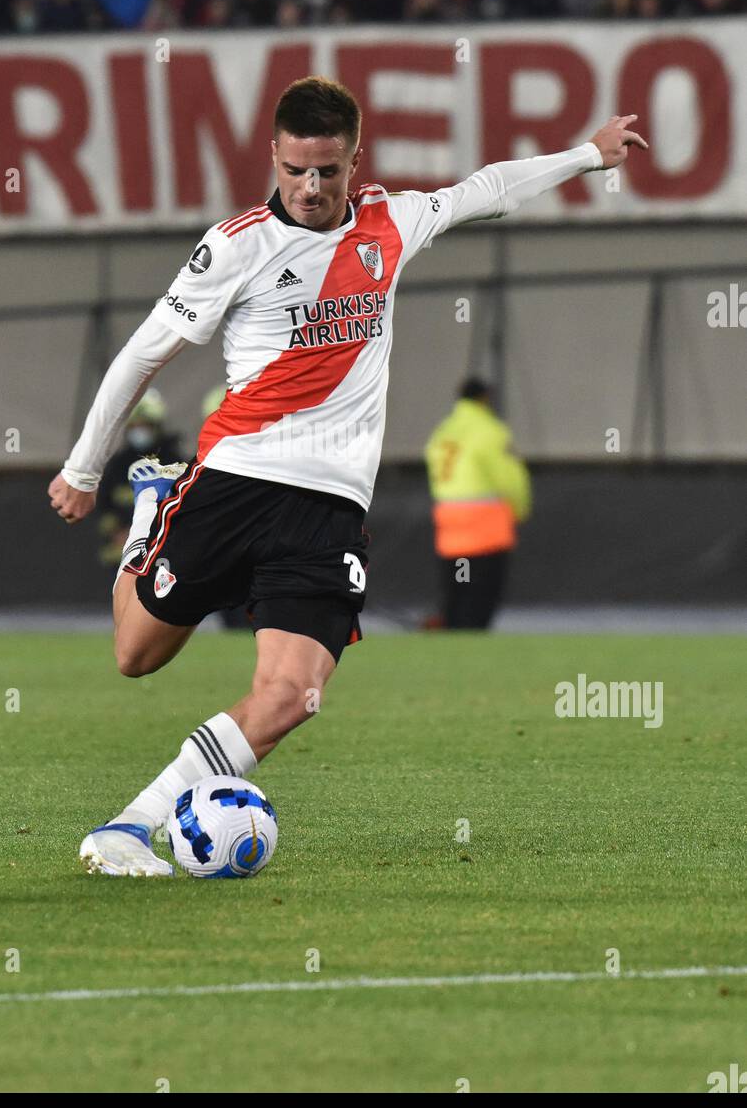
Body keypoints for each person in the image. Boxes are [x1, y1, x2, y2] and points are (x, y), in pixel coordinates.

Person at [46, 77, 647, 876]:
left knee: (292, 697)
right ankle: (154, 511)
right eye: (297, 169)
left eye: (329, 170)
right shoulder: (236, 245)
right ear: (274, 156)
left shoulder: (391, 222)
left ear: (354, 161)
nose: (312, 187)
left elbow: (486, 189)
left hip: (330, 507)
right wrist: (85, 468)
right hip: (237, 481)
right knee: (137, 655)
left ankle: (128, 827)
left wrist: (587, 156)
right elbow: (142, 355)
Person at [424, 378, 530, 629]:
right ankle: (471, 638)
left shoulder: (443, 431)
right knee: (482, 595)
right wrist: (520, 508)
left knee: (456, 589)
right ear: (485, 398)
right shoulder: (490, 430)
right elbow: (509, 477)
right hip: (485, 524)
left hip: (449, 521)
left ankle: (451, 633)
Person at [95, 390, 185, 571]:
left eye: (145, 426)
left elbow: (182, 505)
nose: (139, 431)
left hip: (164, 552)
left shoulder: (174, 462)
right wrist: (118, 532)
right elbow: (104, 505)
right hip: (121, 554)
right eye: (134, 426)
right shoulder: (117, 465)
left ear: (156, 426)